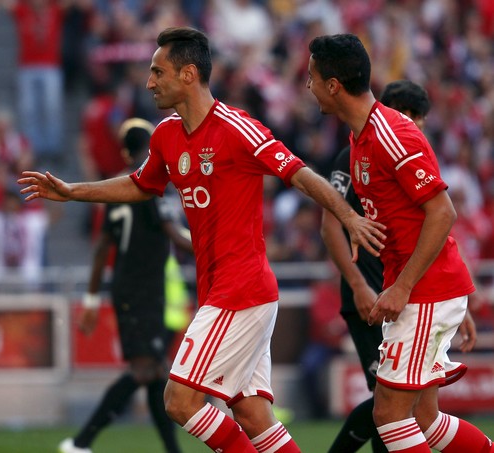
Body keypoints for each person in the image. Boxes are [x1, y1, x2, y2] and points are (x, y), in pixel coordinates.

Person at [20, 27, 386, 453]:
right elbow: (142, 185)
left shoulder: (237, 128)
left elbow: (299, 173)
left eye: (158, 72)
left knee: (179, 400)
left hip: (242, 289)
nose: (149, 82)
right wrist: (73, 191)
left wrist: (347, 216)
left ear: (189, 74)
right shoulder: (166, 136)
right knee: (250, 414)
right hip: (222, 290)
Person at [307, 34, 493, 452]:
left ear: (333, 85)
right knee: (423, 420)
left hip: (423, 292)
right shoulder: (359, 140)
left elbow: (443, 213)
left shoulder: (391, 134)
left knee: (388, 414)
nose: (309, 86)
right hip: (421, 292)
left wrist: (405, 286)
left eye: (312, 77)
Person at [59, 117, 193, 453]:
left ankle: (172, 451)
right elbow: (175, 235)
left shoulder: (117, 188)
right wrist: (218, 241)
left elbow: (103, 248)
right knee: (145, 369)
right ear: (151, 147)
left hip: (129, 287)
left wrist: (91, 302)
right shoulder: (150, 184)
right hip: (142, 290)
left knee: (157, 372)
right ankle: (80, 442)